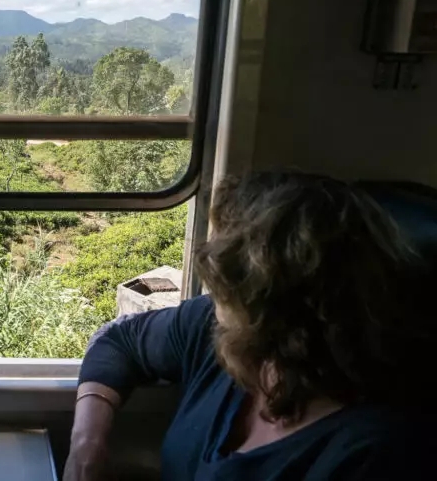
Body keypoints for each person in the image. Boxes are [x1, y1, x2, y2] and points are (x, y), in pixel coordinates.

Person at [65, 172, 434, 481]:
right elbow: (119, 341)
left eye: (230, 288)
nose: (216, 298)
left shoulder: (376, 453)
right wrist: (87, 444)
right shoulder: (212, 328)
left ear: (273, 308)